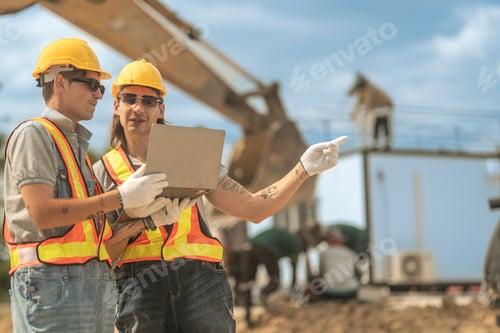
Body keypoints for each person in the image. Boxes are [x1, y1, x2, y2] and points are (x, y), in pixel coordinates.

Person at [92, 59, 348, 333]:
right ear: (116, 106)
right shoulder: (101, 172)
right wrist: (141, 219)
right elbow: (101, 251)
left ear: (161, 109)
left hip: (200, 280)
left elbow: (253, 209)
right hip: (139, 282)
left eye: (149, 101)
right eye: (129, 99)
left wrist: (303, 169)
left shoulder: (191, 156)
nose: (138, 108)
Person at [2, 38, 168, 333]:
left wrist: (149, 219)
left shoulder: (75, 147)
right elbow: (42, 213)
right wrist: (118, 197)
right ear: (61, 82)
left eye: (101, 87)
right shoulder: (35, 134)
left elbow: (91, 236)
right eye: (91, 84)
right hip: (52, 285)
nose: (98, 94)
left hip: (89, 285)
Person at [347, 72, 394, 150]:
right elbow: (358, 101)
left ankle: (383, 144)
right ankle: (372, 144)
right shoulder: (361, 91)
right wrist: (354, 112)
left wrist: (365, 110)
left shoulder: (368, 88)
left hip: (383, 108)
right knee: (374, 126)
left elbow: (368, 101)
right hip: (375, 109)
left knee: (382, 126)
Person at [316, 227, 360, 299]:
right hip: (350, 290)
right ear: (341, 240)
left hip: (330, 291)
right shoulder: (350, 253)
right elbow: (358, 272)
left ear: (328, 240)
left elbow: (321, 272)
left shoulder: (323, 253)